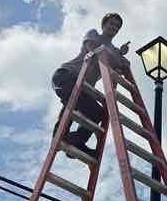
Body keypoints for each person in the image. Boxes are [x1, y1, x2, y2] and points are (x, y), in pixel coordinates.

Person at [51, 12, 130, 158]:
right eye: (111, 24)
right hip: (67, 76)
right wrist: (118, 57)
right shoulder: (94, 34)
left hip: (83, 87)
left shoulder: (113, 51)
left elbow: (123, 66)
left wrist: (119, 55)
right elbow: (93, 48)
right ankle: (62, 136)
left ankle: (75, 141)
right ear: (104, 24)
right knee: (73, 101)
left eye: (117, 26)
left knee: (97, 113)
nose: (114, 27)